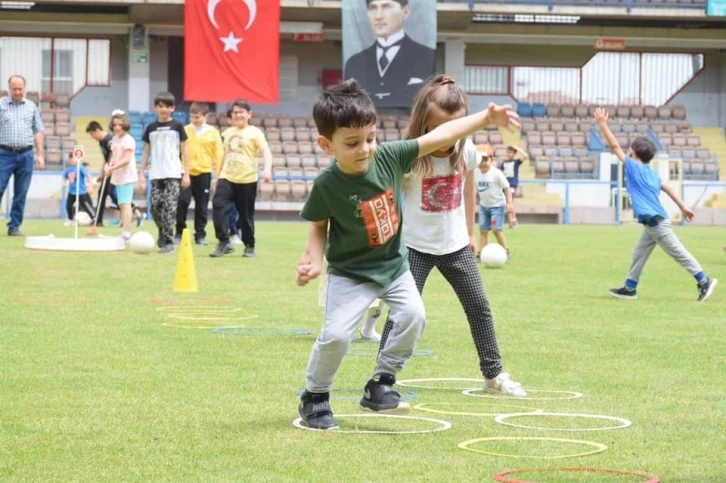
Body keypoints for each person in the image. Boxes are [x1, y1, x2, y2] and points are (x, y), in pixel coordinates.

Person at [294, 79, 519, 430]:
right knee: (337, 336)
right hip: (350, 272)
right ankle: (315, 396)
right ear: (327, 144)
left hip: (395, 266)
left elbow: (442, 136)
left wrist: (486, 118)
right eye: (352, 144)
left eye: (370, 138)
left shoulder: (391, 156)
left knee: (414, 316)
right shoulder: (327, 185)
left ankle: (380, 384)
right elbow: (318, 226)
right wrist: (313, 258)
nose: (365, 149)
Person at [377, 75, 526, 398]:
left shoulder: (467, 151)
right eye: (438, 129)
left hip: (456, 245)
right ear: (423, 124)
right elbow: (393, 200)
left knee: (479, 306)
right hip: (414, 247)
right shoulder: (410, 155)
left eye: (453, 128)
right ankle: (382, 378)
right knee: (403, 312)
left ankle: (493, 375)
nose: (446, 137)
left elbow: (469, 191)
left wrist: (471, 232)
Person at [595, 107, 718, 302]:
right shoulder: (650, 173)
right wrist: (683, 206)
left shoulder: (633, 167)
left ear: (632, 152)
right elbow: (667, 187)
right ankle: (630, 288)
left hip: (656, 223)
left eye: (630, 150)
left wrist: (603, 125)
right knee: (639, 252)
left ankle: (704, 281)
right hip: (652, 223)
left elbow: (614, 146)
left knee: (678, 253)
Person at [209, 99, 272, 258]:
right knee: (218, 204)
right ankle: (224, 242)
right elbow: (224, 154)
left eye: (241, 112)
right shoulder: (228, 133)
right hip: (227, 177)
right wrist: (218, 175)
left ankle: (249, 245)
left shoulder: (255, 132)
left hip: (247, 179)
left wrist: (267, 169)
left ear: (249, 114)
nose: (238, 115)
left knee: (245, 215)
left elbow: (266, 151)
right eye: (235, 112)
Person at [343, 0, 435, 108]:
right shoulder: (354, 62)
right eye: (373, 8)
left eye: (386, 7)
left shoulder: (426, 56)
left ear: (405, 11)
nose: (378, 16)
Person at [138, 92, 190, 254]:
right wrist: (141, 174)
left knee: (169, 207)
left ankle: (168, 242)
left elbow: (185, 151)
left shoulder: (178, 126)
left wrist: (186, 173)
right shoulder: (151, 128)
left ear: (172, 108)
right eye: (160, 106)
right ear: (155, 107)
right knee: (154, 207)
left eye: (167, 106)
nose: (164, 109)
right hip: (155, 174)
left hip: (173, 174)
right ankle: (163, 231)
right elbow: (146, 151)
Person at [0, 75, 44, 236]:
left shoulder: (31, 106)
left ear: (24, 88)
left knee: (21, 193)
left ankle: (14, 227)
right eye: (14, 89)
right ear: (9, 88)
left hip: (26, 155)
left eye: (20, 89)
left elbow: (38, 131)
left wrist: (40, 155)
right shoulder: (1, 105)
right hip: (4, 154)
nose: (18, 92)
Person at [174, 102, 223, 246]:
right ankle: (179, 231)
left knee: (201, 206)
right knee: (182, 202)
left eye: (197, 117)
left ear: (206, 116)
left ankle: (200, 234)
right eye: (192, 117)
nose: (194, 120)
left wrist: (218, 174)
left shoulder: (213, 133)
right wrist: (183, 172)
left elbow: (218, 154)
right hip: (186, 173)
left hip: (204, 173)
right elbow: (179, 152)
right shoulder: (185, 130)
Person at [85, 120, 145, 228]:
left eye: (92, 134)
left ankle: (133, 211)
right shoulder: (101, 142)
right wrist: (102, 173)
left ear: (97, 131)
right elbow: (106, 159)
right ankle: (98, 220)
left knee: (112, 194)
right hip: (109, 170)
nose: (92, 137)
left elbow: (115, 157)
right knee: (103, 194)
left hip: (115, 171)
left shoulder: (110, 140)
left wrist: (110, 169)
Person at [476, 144, 516, 260]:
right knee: (483, 231)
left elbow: (507, 187)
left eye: (485, 159)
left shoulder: (496, 173)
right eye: (479, 160)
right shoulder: (475, 173)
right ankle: (480, 254)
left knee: (496, 230)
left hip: (497, 206)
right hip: (484, 206)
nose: (482, 163)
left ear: (491, 159)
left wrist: (509, 203)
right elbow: (473, 190)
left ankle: (506, 251)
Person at [105, 110, 138, 242]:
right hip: (118, 175)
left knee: (125, 204)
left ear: (125, 125)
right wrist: (108, 166)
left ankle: (127, 233)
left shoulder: (129, 140)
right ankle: (125, 232)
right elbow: (114, 156)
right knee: (122, 204)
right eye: (115, 125)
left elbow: (126, 160)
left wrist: (112, 168)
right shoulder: (114, 139)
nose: (117, 127)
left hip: (127, 175)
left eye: (120, 124)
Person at [62, 152, 95, 225]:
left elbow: (88, 176)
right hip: (72, 192)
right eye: (70, 158)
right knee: (68, 206)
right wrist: (64, 183)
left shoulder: (80, 167)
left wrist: (90, 186)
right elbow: (65, 177)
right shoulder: (68, 169)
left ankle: (94, 218)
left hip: (81, 191)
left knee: (86, 206)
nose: (72, 160)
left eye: (73, 158)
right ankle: (70, 220)